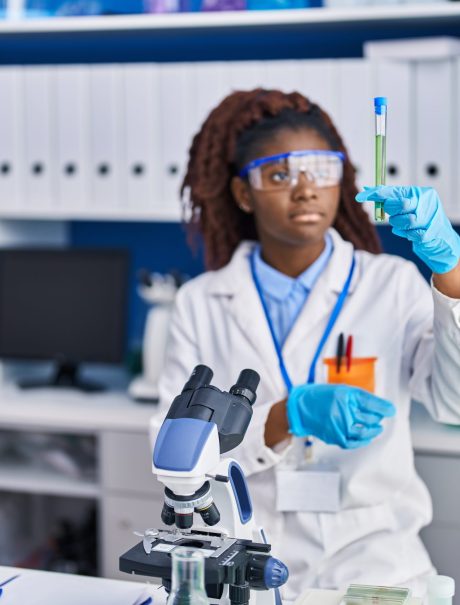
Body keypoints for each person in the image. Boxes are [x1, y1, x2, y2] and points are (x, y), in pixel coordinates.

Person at [155, 89, 460, 599]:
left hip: (378, 560)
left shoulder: (392, 283)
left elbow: (454, 401)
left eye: (321, 170)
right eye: (279, 175)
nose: (305, 190)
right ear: (243, 192)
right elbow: (169, 452)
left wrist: (452, 276)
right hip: (247, 556)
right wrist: (284, 417)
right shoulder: (201, 302)